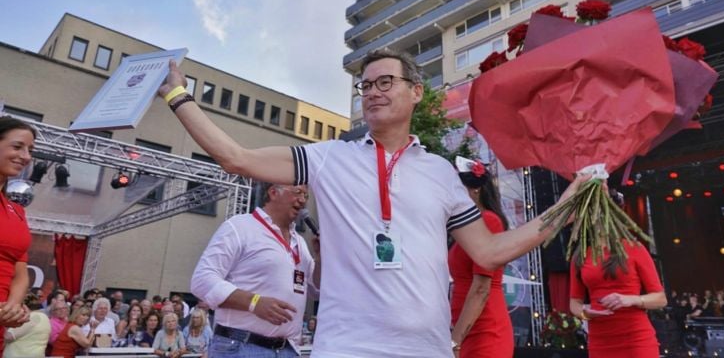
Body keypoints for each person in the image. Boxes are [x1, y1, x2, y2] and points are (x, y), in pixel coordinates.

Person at [161, 48, 585, 357]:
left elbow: (491, 251)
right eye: (367, 85)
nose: (374, 91)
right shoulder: (327, 158)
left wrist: (569, 200)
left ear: (417, 92)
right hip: (346, 347)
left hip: (427, 349)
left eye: (387, 82)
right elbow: (237, 158)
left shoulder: (440, 172)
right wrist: (178, 97)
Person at [190, 182, 319, 357]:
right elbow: (202, 280)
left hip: (288, 350)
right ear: (273, 192)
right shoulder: (240, 227)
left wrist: (321, 256)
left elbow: (317, 289)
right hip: (241, 347)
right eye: (297, 192)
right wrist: (254, 302)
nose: (303, 200)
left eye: (306, 196)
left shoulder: (300, 243)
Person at [448, 157, 513, 357]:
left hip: (485, 330)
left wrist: (454, 341)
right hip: (464, 329)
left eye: (458, 189)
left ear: (475, 190)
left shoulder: (489, 221)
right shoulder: (466, 227)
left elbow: (481, 288)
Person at [569, 239, 667, 358]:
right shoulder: (580, 255)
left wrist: (632, 300)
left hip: (636, 339)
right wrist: (585, 314)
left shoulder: (633, 247)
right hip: (600, 341)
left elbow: (661, 299)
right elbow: (574, 303)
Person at [0, 117, 37, 352]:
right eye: (17, 146)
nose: (26, 156)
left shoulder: (17, 210)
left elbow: (20, 271)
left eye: (30, 150)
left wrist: (13, 306)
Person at [3, 293, 50, 357]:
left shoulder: (33, 317)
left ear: (24, 307)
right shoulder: (44, 317)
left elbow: (8, 336)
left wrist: (4, 322)